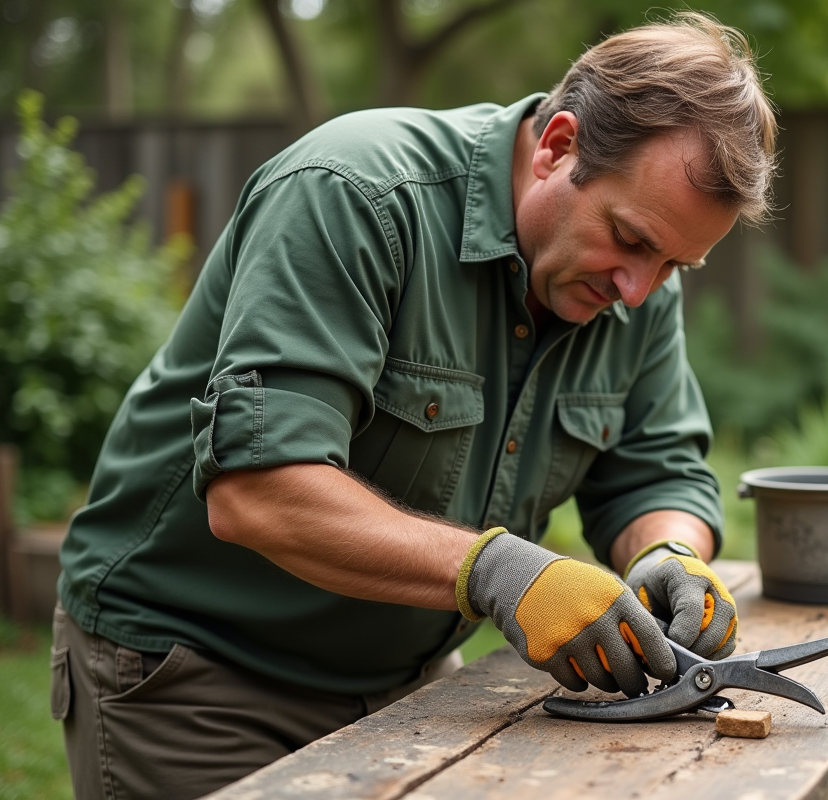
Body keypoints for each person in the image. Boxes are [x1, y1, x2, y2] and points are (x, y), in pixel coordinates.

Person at [51, 12, 777, 800]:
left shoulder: (633, 287)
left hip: (413, 682)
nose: (640, 288)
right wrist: (502, 572)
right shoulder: (353, 194)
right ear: (557, 146)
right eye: (631, 240)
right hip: (200, 676)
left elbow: (655, 471)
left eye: (676, 263)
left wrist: (668, 555)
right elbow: (258, 491)